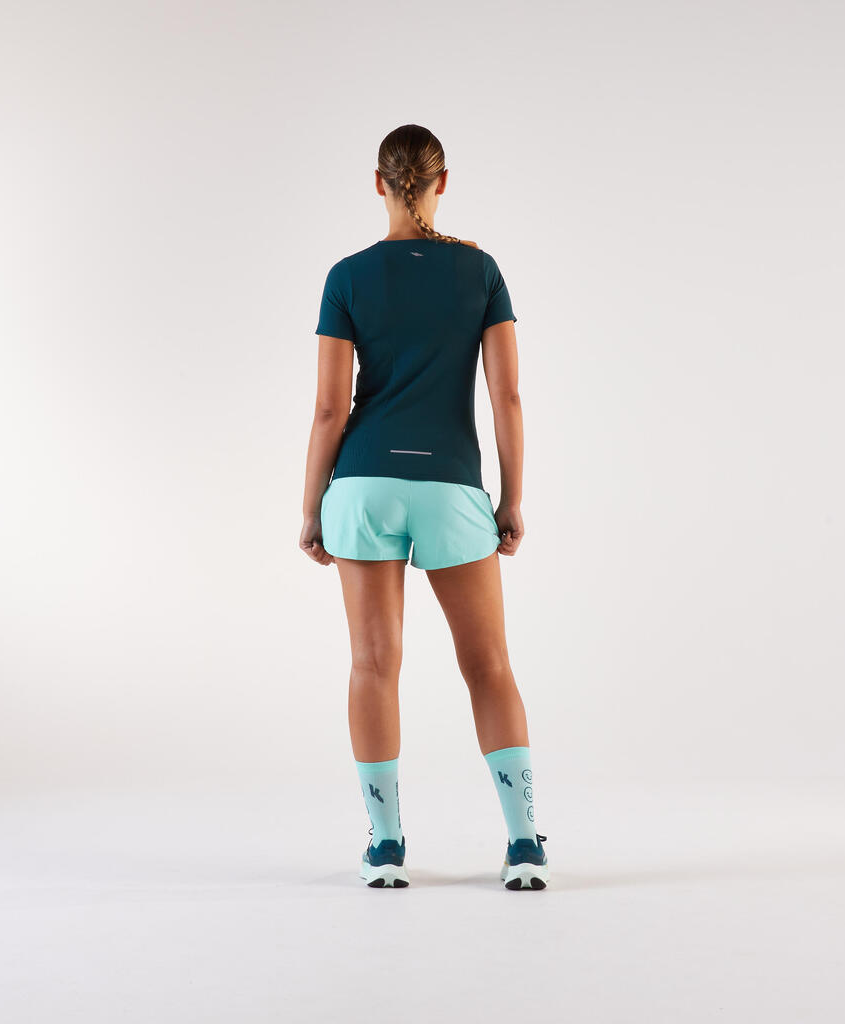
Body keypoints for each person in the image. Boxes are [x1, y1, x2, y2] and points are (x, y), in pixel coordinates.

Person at [299, 124, 548, 891]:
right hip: (452, 489)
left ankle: (384, 847)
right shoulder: (480, 271)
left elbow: (328, 410)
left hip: (363, 487)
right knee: (489, 666)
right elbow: (507, 397)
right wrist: (511, 499)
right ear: (443, 182)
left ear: (379, 183)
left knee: (373, 666)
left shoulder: (347, 276)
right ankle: (523, 845)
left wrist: (311, 508)